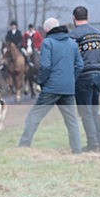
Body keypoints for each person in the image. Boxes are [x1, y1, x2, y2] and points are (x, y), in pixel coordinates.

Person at [18, 17, 83, 154]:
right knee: (72, 121)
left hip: (51, 88)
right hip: (68, 88)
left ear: (46, 30)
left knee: (34, 116)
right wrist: (71, 79)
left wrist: (41, 82)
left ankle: (23, 146)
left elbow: (45, 66)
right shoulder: (72, 43)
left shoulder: (47, 42)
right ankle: (77, 151)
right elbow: (80, 65)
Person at [69, 6, 100, 152]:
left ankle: (93, 143)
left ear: (73, 18)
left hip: (83, 76)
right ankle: (99, 141)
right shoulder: (98, 33)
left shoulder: (73, 36)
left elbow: (72, 58)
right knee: (95, 110)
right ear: (87, 17)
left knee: (85, 111)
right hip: (98, 74)